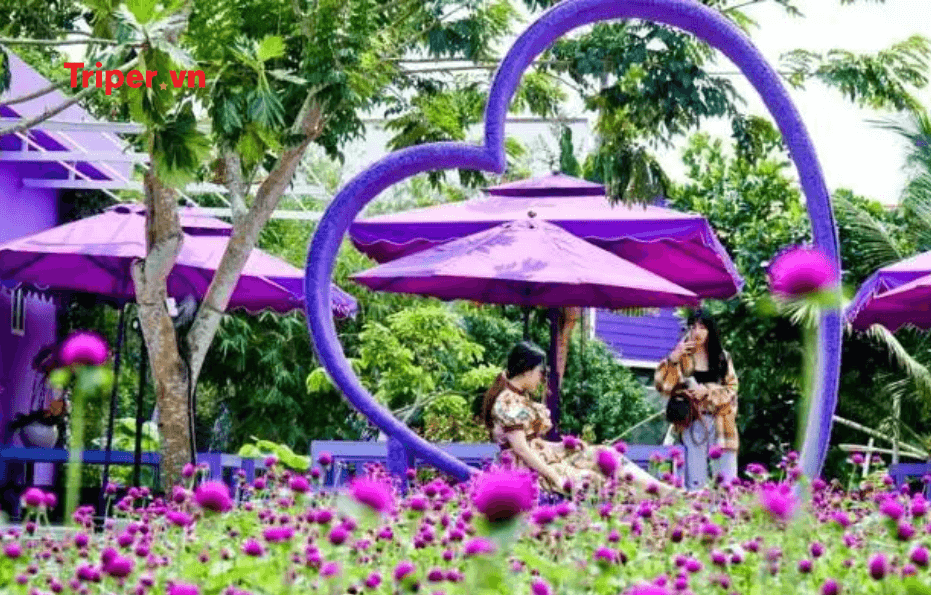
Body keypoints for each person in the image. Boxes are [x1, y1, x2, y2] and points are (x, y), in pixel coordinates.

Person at [482, 341, 676, 496]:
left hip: (544, 460)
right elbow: (522, 450)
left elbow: (534, 443)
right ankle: (660, 497)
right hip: (530, 473)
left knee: (605, 454)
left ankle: (664, 491)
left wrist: (564, 446)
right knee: (595, 479)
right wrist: (555, 477)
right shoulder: (507, 402)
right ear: (526, 370)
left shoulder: (520, 397)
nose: (542, 378)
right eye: (541, 372)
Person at [655, 310, 739, 491]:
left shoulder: (722, 357)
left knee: (727, 481)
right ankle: (697, 507)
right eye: (693, 327)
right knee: (695, 481)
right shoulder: (682, 357)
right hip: (692, 421)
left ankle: (727, 507)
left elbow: (732, 389)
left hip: (721, 421)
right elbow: (663, 386)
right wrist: (672, 359)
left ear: (710, 331)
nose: (697, 332)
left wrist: (707, 391)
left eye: (702, 327)